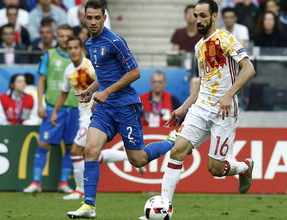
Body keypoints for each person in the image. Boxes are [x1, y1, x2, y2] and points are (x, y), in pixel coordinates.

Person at [140, 1, 256, 219]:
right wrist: (183, 107)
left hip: (224, 110)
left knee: (215, 169)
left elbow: (249, 69)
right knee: (177, 151)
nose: (199, 20)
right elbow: (204, 82)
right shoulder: (198, 47)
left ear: (214, 16)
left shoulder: (225, 38)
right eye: (196, 16)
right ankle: (163, 209)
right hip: (201, 106)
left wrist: (228, 95)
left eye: (203, 15)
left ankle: (244, 167)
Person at [67, 1, 175, 218]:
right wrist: (91, 90)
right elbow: (105, 75)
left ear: (104, 18)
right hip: (105, 109)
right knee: (90, 149)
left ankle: (173, 142)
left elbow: (135, 72)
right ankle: (89, 206)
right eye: (90, 18)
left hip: (126, 106)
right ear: (84, 19)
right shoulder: (90, 43)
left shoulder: (115, 41)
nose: (94, 21)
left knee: (138, 160)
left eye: (98, 17)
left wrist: (107, 92)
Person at [51, 35, 144, 200]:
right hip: (83, 114)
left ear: (81, 49)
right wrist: (54, 111)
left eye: (75, 48)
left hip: (95, 112)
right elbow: (64, 93)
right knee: (91, 153)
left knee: (76, 150)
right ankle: (126, 157)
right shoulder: (69, 71)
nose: (73, 51)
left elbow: (106, 80)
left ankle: (80, 190)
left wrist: (97, 101)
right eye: (69, 48)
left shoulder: (89, 66)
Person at [23, 24, 77, 194]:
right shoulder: (49, 55)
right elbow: (41, 81)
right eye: (61, 36)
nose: (64, 39)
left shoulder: (80, 56)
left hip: (75, 109)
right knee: (43, 143)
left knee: (71, 147)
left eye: (68, 36)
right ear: (57, 37)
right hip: (54, 108)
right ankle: (36, 182)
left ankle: (63, 183)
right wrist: (40, 104)